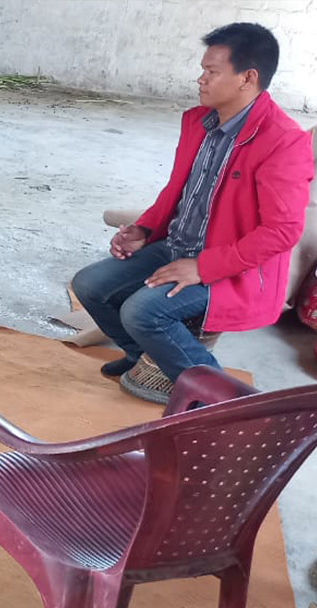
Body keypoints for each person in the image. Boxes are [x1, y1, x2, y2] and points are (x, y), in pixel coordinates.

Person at [73, 23, 313, 390]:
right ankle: (144, 361)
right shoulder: (198, 122)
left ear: (247, 78)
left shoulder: (282, 142)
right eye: (203, 69)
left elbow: (281, 232)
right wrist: (145, 229)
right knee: (90, 285)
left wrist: (203, 266)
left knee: (142, 312)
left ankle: (224, 400)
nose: (200, 79)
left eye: (212, 71)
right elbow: (181, 191)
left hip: (233, 267)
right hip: (177, 245)